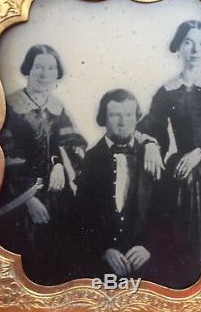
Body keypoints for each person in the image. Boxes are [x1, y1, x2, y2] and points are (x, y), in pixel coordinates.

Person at [138, 20, 201, 288]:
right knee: (178, 246)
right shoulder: (167, 91)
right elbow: (150, 125)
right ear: (179, 47)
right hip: (179, 176)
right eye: (189, 42)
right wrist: (151, 145)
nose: (195, 49)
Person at [0, 44, 87, 285]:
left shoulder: (57, 108)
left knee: (59, 254)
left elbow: (72, 143)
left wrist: (59, 166)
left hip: (55, 193)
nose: (44, 73)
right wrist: (28, 199)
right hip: (17, 197)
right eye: (39, 67)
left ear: (57, 73)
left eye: (50, 68)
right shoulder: (9, 106)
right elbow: (4, 155)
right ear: (28, 70)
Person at [76, 89, 154, 279]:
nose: (123, 121)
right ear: (103, 119)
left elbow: (164, 212)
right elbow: (79, 217)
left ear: (137, 117)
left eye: (129, 114)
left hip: (146, 264)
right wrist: (103, 250)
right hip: (99, 264)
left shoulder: (151, 156)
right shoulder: (89, 160)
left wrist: (148, 247)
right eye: (115, 115)